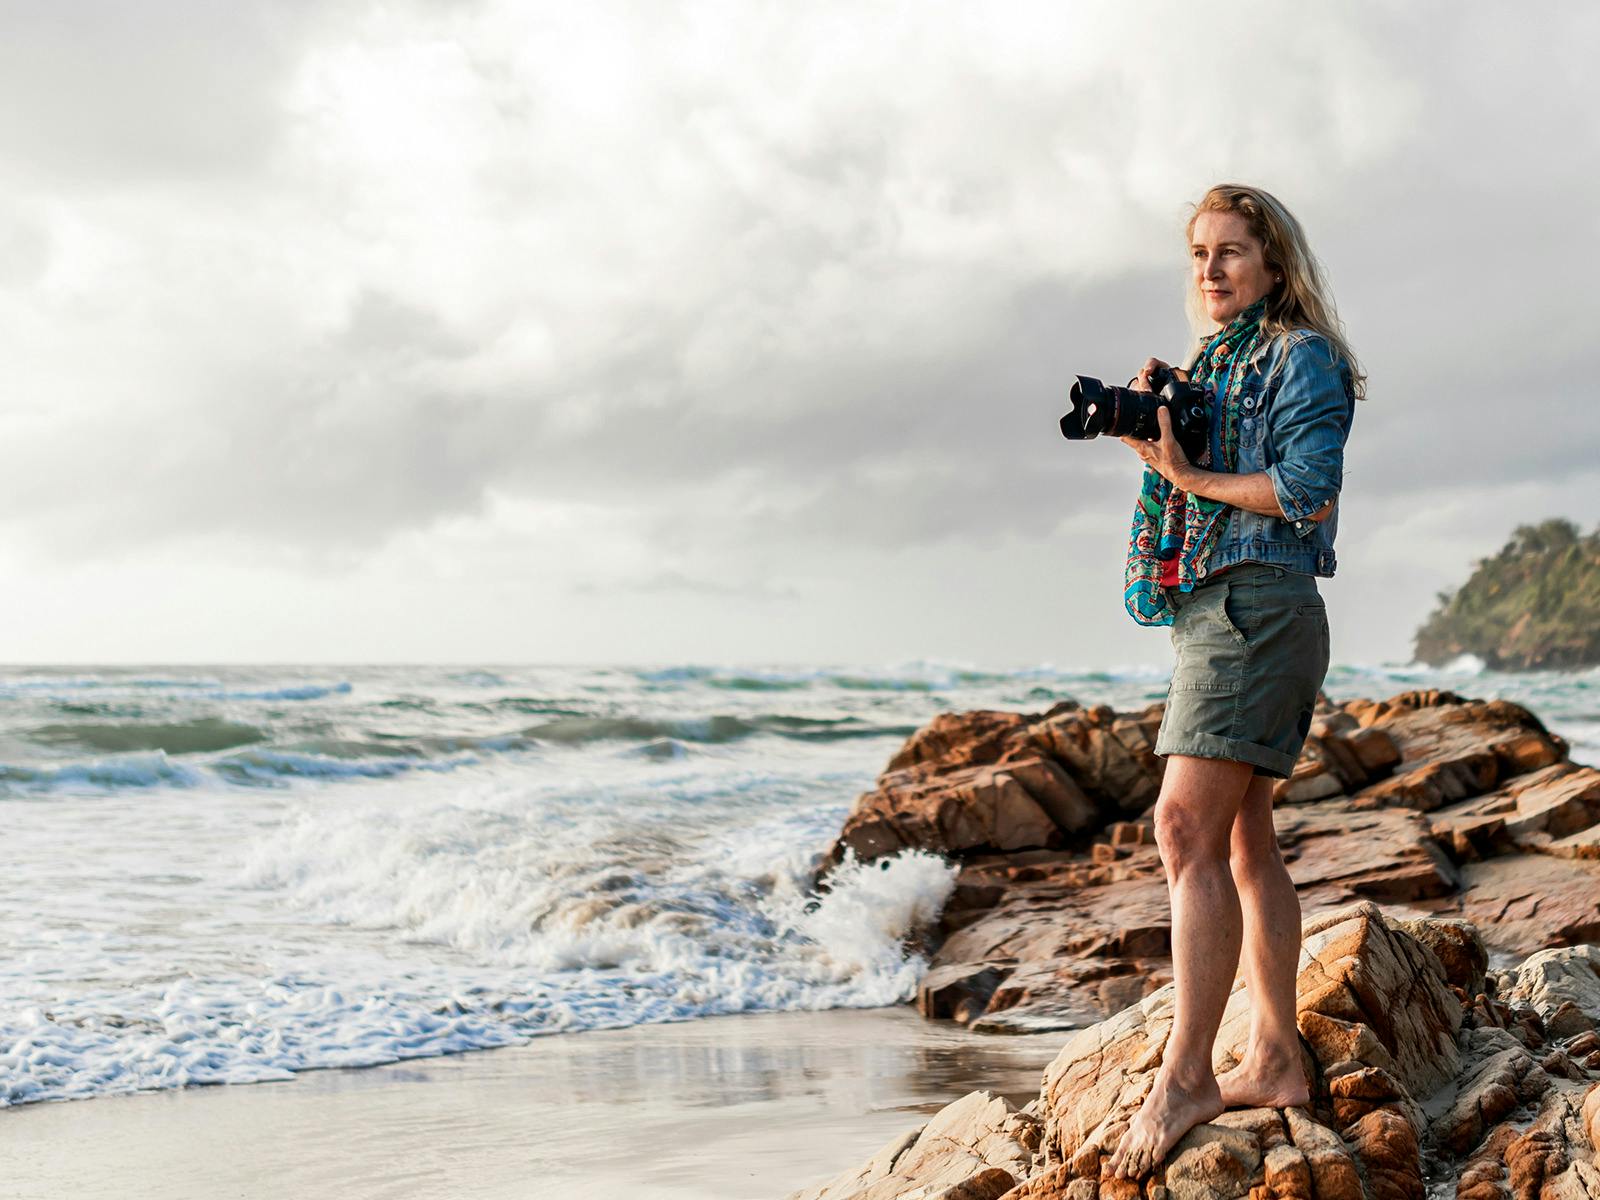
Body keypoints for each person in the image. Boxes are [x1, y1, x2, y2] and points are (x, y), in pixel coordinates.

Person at [1104, 184, 1364, 1180]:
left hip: (1259, 604)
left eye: (1231, 252)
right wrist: (1166, 432)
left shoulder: (1301, 355)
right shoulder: (1217, 367)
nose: (1210, 271)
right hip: (1224, 609)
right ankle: (1273, 1058)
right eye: (1199, 255)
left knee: (1182, 831)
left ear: (1274, 263)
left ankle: (1186, 1077)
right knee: (1243, 839)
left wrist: (1191, 478)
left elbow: (1305, 489)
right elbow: (1211, 468)